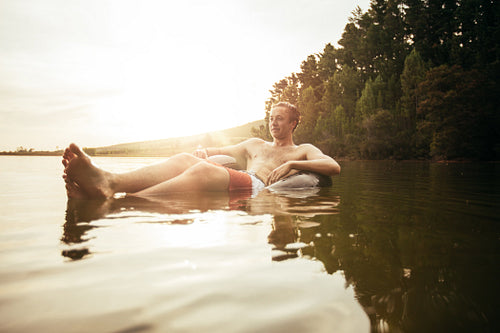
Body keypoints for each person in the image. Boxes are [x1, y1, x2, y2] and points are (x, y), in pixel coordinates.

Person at [62, 102, 341, 198]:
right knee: (187, 160)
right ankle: (109, 182)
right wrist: (202, 151)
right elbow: (218, 148)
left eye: (279, 119)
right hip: (245, 181)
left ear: (293, 123)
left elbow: (333, 167)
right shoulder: (255, 145)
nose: (273, 123)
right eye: (270, 118)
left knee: (203, 173)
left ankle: (111, 200)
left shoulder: (303, 150)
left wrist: (294, 165)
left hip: (259, 188)